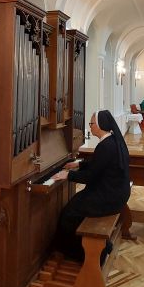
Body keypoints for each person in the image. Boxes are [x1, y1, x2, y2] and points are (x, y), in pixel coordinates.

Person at [52, 110, 131, 262]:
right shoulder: (111, 140)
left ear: (100, 125)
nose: (90, 126)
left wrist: (68, 175)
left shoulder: (106, 146)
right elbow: (99, 165)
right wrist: (79, 164)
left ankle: (91, 255)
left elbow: (90, 177)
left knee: (69, 213)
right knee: (76, 204)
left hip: (110, 197)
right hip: (116, 192)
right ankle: (101, 246)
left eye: (91, 123)